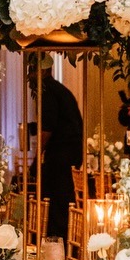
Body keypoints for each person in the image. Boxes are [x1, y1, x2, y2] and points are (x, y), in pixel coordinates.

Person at [35, 71, 83, 241]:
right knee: (61, 199)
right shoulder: (60, 90)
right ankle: (59, 241)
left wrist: (36, 157)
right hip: (72, 152)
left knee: (56, 201)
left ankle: (56, 243)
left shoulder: (47, 90)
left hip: (62, 155)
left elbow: (47, 129)